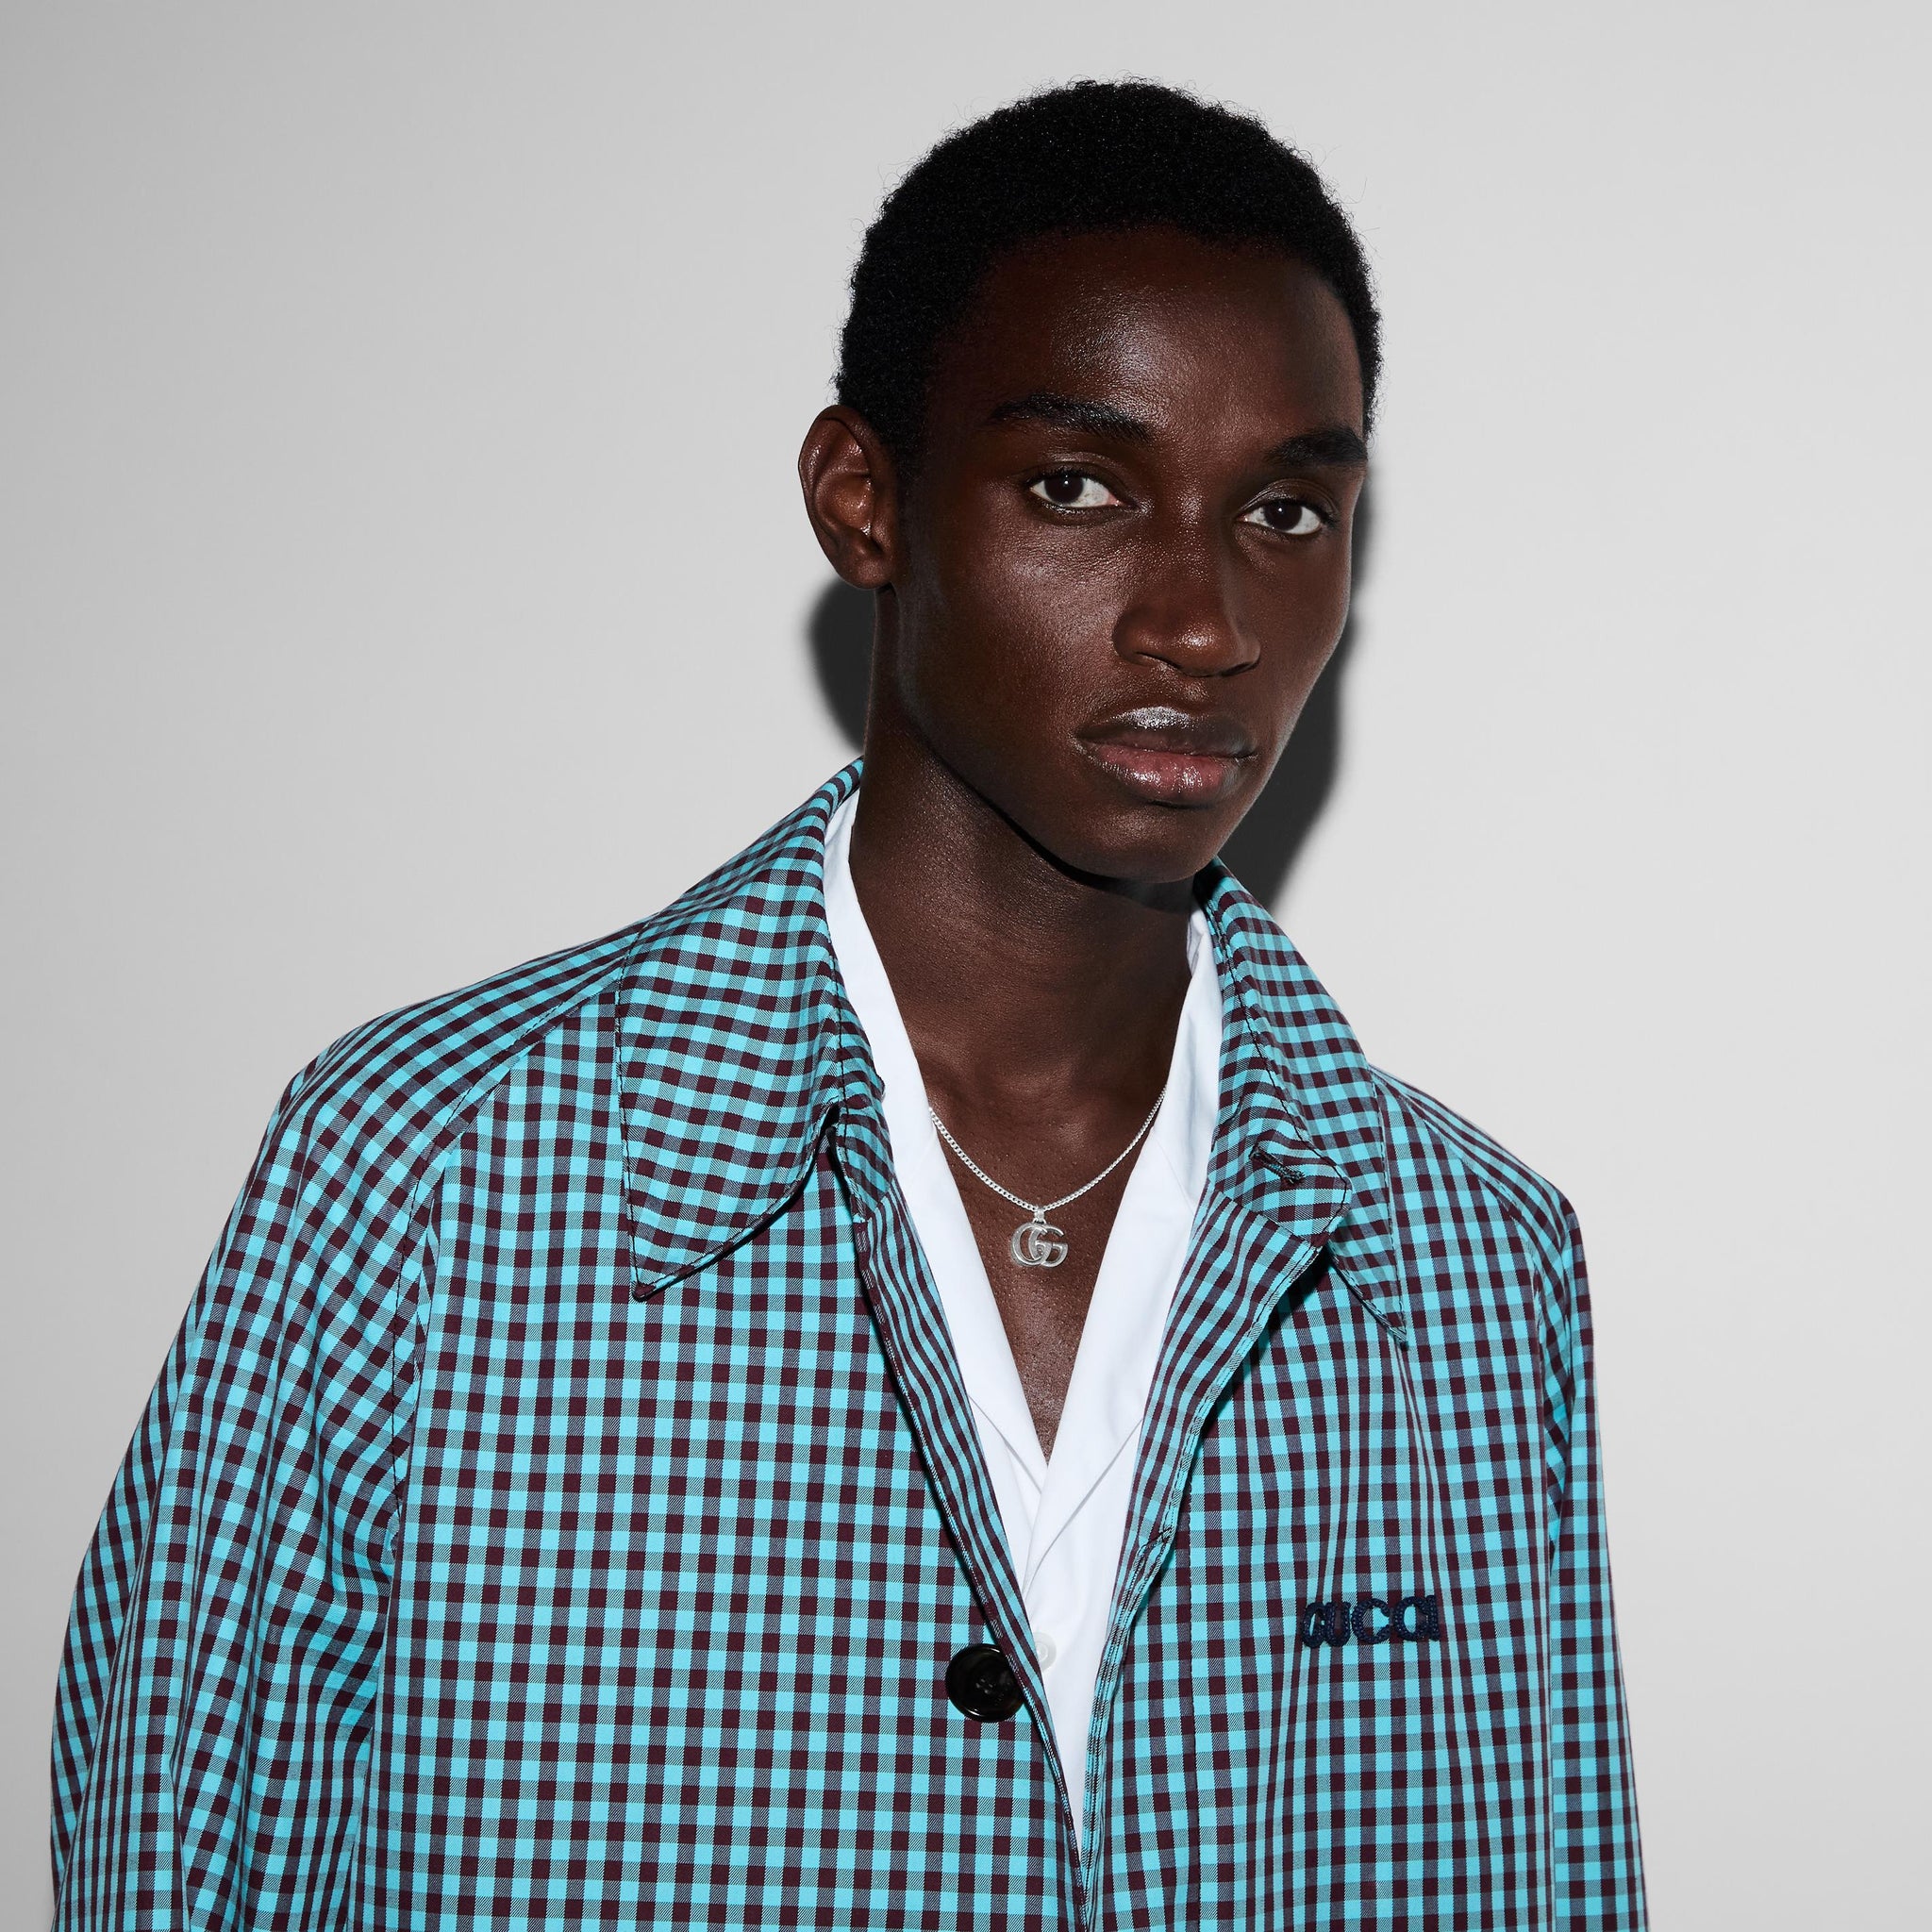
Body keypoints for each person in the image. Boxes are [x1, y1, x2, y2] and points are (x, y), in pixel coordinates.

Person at [51, 79, 1644, 1928]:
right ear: (861, 499)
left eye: (1287, 510)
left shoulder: (1471, 1266)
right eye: (1078, 487)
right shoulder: (428, 1182)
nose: (1203, 621)